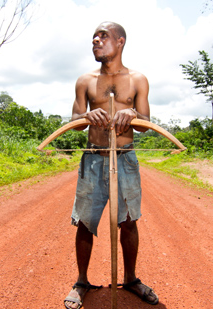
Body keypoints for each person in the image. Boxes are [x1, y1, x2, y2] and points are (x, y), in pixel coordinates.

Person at [64, 21, 159, 309]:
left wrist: (131, 112)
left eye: (103, 36)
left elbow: (145, 125)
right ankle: (81, 282)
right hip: (94, 158)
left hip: (125, 158)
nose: (96, 40)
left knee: (129, 222)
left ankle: (130, 278)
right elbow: (73, 123)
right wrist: (86, 117)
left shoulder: (138, 79)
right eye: (93, 37)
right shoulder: (85, 81)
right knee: (85, 222)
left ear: (120, 42)